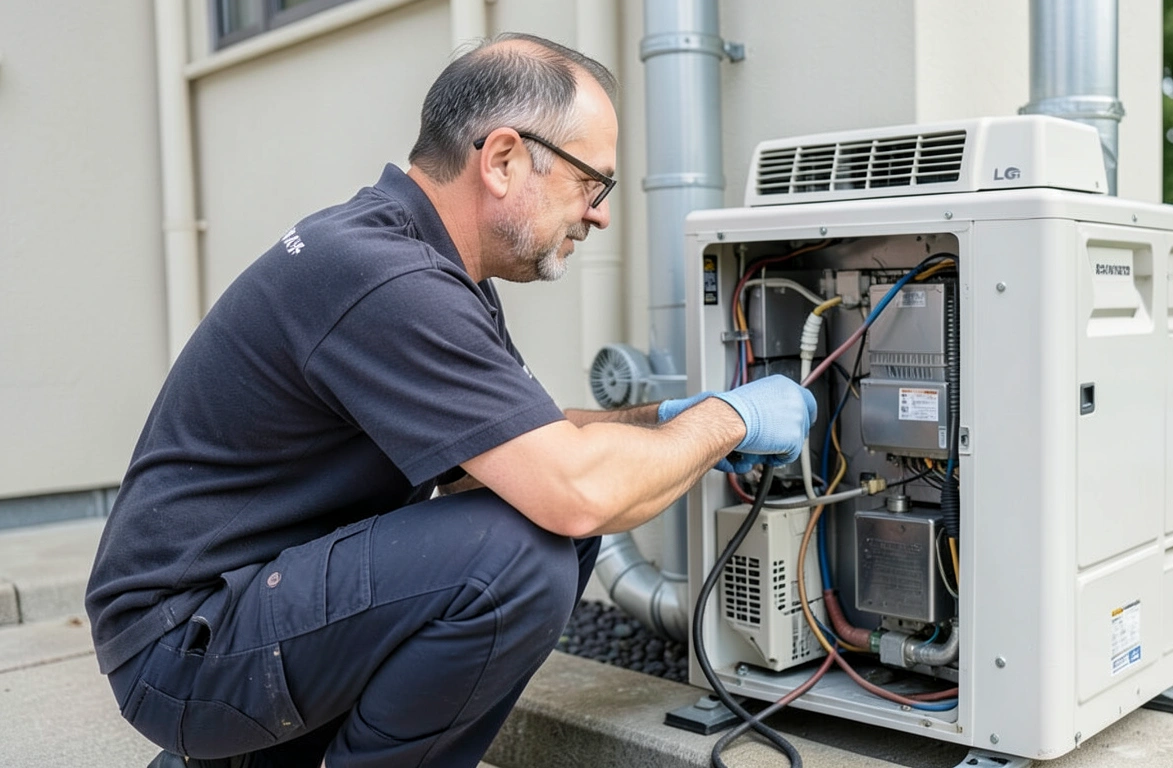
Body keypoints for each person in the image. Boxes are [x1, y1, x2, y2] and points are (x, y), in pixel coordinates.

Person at [85, 32, 815, 768]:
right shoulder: (385, 279)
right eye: (593, 183)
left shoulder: (423, 265)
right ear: (501, 160)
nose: (597, 215)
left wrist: (662, 421)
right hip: (184, 644)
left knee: (544, 519)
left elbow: (521, 451)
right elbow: (573, 491)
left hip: (240, 605)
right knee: (519, 553)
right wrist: (731, 419)